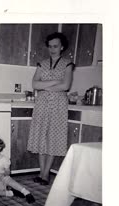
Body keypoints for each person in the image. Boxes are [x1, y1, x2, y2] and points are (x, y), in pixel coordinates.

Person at [27, 32, 75, 185]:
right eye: (50, 46)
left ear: (61, 47)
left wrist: (45, 86)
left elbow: (66, 86)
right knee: (41, 137)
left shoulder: (67, 64)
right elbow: (34, 85)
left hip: (58, 106)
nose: (52, 49)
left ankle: (46, 174)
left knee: (53, 138)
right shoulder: (42, 63)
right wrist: (55, 81)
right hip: (42, 104)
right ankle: (41, 172)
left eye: (55, 46)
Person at [0, 136, 36, 204]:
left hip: (2, 177)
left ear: (0, 146)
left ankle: (26, 192)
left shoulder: (5, 159)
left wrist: (6, 173)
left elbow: (8, 172)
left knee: (9, 180)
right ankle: (10, 193)